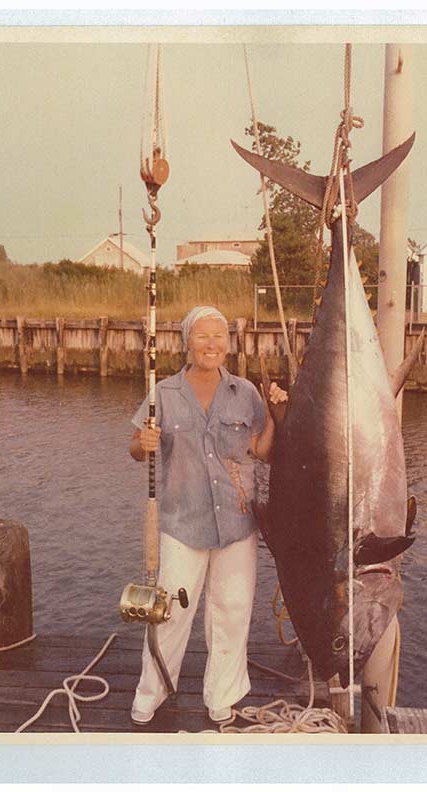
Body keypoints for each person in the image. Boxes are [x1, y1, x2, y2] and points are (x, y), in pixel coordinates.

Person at [128, 305, 287, 724]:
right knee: (169, 613)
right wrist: (142, 442)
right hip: (182, 524)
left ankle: (222, 694)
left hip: (238, 523)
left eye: (219, 336)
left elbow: (263, 451)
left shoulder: (246, 393)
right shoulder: (163, 392)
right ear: (187, 342)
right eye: (203, 336)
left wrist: (275, 415)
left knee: (231, 610)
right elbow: (133, 447)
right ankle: (153, 690)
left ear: (228, 344)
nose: (212, 344)